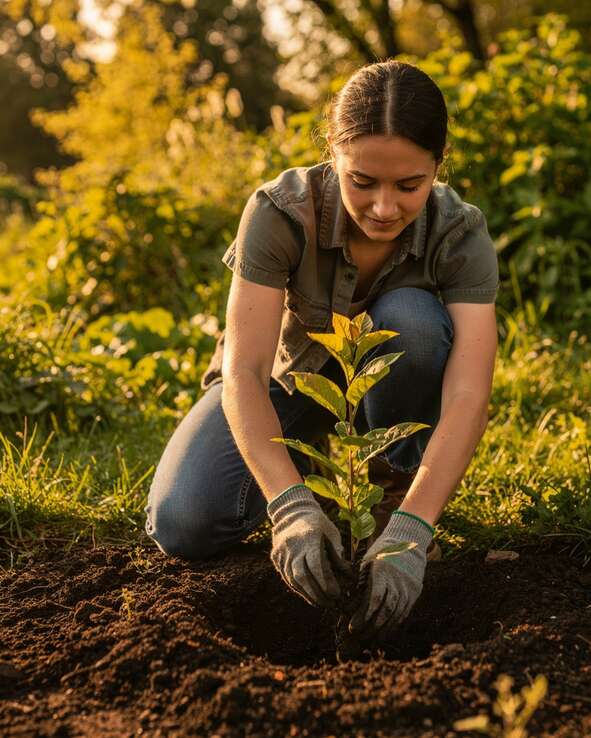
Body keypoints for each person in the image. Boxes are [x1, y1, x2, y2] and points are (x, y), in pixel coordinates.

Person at [144, 59, 498, 641]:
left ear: (438, 165)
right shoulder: (279, 211)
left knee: (411, 317)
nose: (384, 207)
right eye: (362, 181)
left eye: (409, 185)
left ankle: (389, 493)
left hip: (396, 388)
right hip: (290, 380)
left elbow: (467, 394)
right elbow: (245, 370)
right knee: (185, 522)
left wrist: (414, 527)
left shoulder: (459, 231)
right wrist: (288, 507)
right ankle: (307, 473)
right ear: (333, 153)